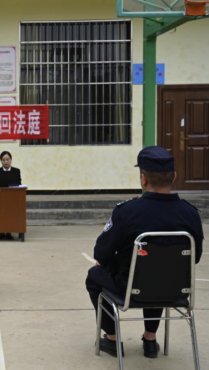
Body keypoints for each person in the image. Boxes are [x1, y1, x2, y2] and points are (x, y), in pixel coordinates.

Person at [85, 146, 204, 359]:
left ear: (143, 179)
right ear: (174, 177)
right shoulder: (191, 214)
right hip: (175, 289)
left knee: (94, 276)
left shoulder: (127, 212)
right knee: (160, 272)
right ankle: (150, 340)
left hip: (130, 289)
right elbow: (194, 258)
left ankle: (112, 339)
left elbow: (101, 252)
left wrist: (106, 262)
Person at [0, 151, 22, 240]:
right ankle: (1, 232)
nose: (6, 161)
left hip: (12, 198)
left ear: (11, 160)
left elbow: (19, 183)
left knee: (10, 214)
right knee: (0, 214)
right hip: (0, 197)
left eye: (7, 159)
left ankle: (9, 232)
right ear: (1, 161)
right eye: (3, 160)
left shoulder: (16, 171)